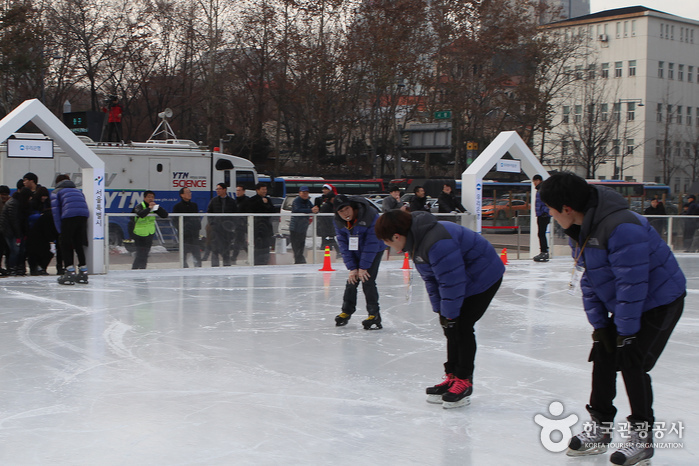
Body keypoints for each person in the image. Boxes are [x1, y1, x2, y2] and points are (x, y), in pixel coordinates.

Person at [538, 173, 686, 465]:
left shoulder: (622, 228)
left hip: (659, 301)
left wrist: (627, 334)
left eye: (551, 210)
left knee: (633, 361)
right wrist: (601, 326)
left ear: (566, 208)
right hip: (628, 301)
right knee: (604, 355)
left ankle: (641, 437)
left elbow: (633, 285)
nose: (551, 216)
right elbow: (591, 279)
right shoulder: (581, 228)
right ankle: (601, 427)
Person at [375, 210, 504, 408]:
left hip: (484, 275)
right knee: (450, 326)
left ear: (396, 236)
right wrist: (441, 312)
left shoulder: (436, 242)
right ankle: (452, 376)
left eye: (388, 243)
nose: (389, 247)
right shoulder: (416, 242)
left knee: (462, 326)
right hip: (462, 278)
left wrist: (450, 315)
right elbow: (431, 279)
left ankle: (464, 380)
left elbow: (451, 281)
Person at [332, 195, 386, 330]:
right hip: (355, 249)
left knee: (367, 279)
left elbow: (371, 243)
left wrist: (363, 267)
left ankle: (374, 314)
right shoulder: (339, 222)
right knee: (352, 280)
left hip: (374, 249)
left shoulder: (369, 216)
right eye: (341, 211)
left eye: (347, 209)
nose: (345, 214)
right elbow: (344, 246)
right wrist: (352, 268)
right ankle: (346, 311)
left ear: (352, 207)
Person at [51, 174, 90, 284]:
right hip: (83, 216)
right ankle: (83, 271)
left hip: (69, 216)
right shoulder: (78, 191)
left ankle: (69, 272)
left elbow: (56, 212)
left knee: (65, 243)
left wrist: (60, 231)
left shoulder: (56, 192)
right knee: (78, 243)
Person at [131, 190, 169, 269]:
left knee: (145, 253)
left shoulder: (154, 207)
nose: (151, 199)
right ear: (144, 198)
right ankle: (134, 269)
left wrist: (157, 207)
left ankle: (142, 269)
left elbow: (165, 215)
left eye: (152, 197)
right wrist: (149, 208)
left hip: (149, 233)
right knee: (140, 253)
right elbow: (141, 214)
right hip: (139, 233)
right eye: (149, 197)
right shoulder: (139, 206)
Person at [0, 187, 31, 276]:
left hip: (14, 231)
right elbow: (14, 220)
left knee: (19, 250)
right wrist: (18, 235)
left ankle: (17, 267)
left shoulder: (19, 203)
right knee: (14, 250)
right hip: (9, 231)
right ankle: (12, 267)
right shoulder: (13, 203)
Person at [206, 183, 238, 266]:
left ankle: (227, 266)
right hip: (216, 229)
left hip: (227, 230)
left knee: (226, 249)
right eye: (217, 189)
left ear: (225, 190)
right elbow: (209, 213)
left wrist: (231, 226)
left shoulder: (231, 201)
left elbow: (235, 215)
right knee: (215, 249)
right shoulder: (214, 201)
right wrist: (212, 224)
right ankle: (215, 267)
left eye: (219, 189)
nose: (218, 191)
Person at [245, 182, 277, 265]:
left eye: (265, 189)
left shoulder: (268, 200)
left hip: (266, 227)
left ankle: (265, 260)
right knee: (257, 245)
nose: (265, 191)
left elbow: (272, 211)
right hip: (256, 227)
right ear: (257, 190)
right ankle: (256, 260)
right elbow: (250, 210)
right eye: (263, 189)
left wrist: (266, 204)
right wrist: (260, 202)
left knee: (266, 244)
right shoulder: (252, 200)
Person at [26, 186, 55, 276]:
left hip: (43, 232)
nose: (44, 198)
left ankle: (42, 267)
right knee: (34, 252)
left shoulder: (48, 204)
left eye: (45, 196)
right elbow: (29, 216)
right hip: (34, 232)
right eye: (42, 196)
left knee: (46, 252)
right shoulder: (33, 204)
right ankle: (35, 268)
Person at [173, 187, 202, 268]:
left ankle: (198, 268)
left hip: (194, 234)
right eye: (187, 192)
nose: (190, 194)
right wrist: (182, 229)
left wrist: (197, 228)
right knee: (183, 254)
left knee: (196, 253)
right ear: (182, 195)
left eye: (190, 192)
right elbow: (175, 220)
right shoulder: (177, 207)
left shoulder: (194, 205)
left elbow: (196, 218)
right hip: (184, 235)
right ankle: (184, 268)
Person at [289, 186, 318, 264]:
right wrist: (310, 210)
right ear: (299, 193)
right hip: (295, 227)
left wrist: (315, 210)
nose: (305, 194)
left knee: (301, 244)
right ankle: (298, 260)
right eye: (303, 193)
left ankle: (300, 259)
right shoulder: (296, 201)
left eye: (306, 193)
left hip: (303, 227)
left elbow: (312, 208)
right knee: (296, 245)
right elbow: (296, 210)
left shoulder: (308, 202)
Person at [314, 184, 339, 256]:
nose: (324, 191)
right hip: (325, 224)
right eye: (323, 189)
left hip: (329, 224)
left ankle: (330, 252)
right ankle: (332, 252)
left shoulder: (333, 202)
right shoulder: (320, 200)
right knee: (327, 239)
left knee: (329, 239)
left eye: (326, 189)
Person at [532, 174, 550, 262]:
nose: (534, 183)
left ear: (538, 180)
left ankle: (544, 251)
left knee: (541, 233)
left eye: (534, 181)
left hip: (543, 215)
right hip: (541, 214)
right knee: (541, 233)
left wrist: (545, 212)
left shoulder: (543, 189)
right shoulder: (540, 189)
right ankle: (544, 251)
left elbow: (547, 202)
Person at [232, 185, 250, 264]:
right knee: (240, 241)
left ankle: (233, 258)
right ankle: (251, 255)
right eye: (237, 190)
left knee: (239, 241)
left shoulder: (247, 201)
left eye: (239, 190)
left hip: (245, 224)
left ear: (243, 191)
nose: (237, 192)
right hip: (238, 224)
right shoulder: (235, 201)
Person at [0, 185, 11, 276]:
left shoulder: (9, 203)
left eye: (6, 195)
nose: (4, 197)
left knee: (6, 250)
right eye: (2, 194)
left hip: (6, 231)